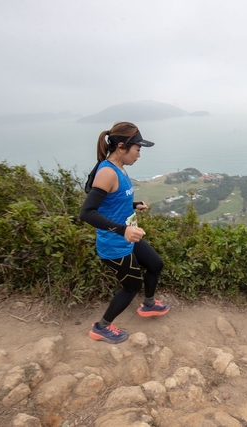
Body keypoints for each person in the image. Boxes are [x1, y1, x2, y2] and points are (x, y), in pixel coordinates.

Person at [80, 122, 170, 344]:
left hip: (128, 237)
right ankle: (101, 327)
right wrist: (123, 230)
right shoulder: (107, 173)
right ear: (121, 146)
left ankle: (149, 304)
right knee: (131, 287)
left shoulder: (119, 167)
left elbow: (112, 203)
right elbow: (87, 213)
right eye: (137, 149)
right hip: (115, 245)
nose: (139, 154)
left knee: (155, 264)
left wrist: (133, 205)